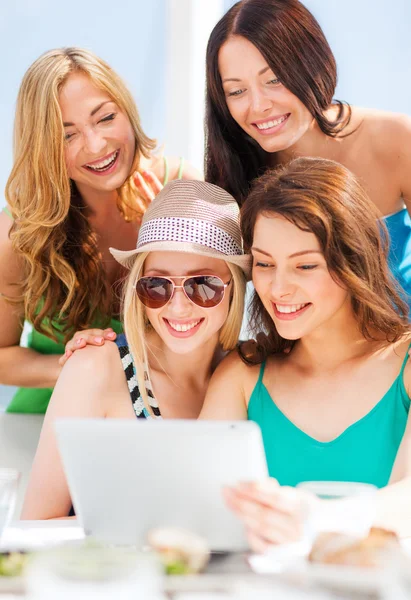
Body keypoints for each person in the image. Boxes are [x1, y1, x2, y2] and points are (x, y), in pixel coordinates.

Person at [200, 157, 411, 549]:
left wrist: (316, 518)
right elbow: (200, 503)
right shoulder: (241, 378)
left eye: (305, 266)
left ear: (355, 262)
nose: (278, 288)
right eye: (264, 263)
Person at [21, 179, 249, 519]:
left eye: (203, 285)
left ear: (234, 287)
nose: (179, 308)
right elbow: (37, 525)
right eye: (157, 285)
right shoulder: (95, 368)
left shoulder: (245, 373)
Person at [0, 47, 201, 414]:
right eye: (66, 135)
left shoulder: (182, 191)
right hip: (48, 417)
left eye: (105, 118)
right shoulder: (17, 233)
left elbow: (221, 322)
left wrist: (163, 241)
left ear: (126, 109)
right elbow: (2, 356)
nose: (95, 145)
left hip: (163, 416)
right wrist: (77, 366)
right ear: (42, 146)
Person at [205, 0, 411, 308]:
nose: (258, 105)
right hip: (300, 353)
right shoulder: (234, 170)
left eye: (274, 79)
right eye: (237, 91)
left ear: (313, 64)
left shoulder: (395, 140)